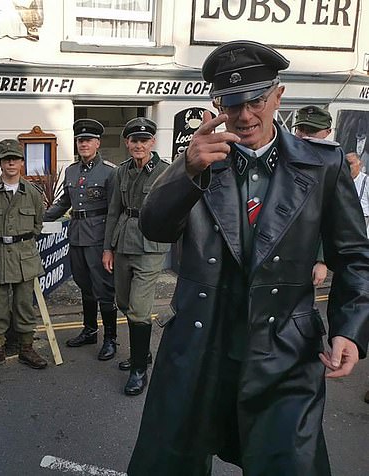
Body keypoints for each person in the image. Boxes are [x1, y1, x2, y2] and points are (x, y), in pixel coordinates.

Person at [128, 40, 369, 476]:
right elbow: (154, 228)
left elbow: (354, 255)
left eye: (256, 100)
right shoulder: (198, 160)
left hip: (285, 354)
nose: (244, 115)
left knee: (289, 465)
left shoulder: (322, 165)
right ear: (215, 104)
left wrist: (350, 329)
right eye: (231, 102)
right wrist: (187, 171)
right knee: (170, 463)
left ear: (278, 96)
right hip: (200, 346)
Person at [102, 118, 169, 396]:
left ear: (152, 142)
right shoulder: (121, 172)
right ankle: (143, 354)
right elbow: (113, 211)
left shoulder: (166, 171)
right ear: (127, 143)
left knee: (140, 308)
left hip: (151, 245)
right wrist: (108, 247)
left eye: (144, 140)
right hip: (123, 242)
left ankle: (139, 370)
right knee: (125, 302)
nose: (138, 145)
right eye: (133, 140)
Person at [44, 119, 118, 360]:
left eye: (88, 140)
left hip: (99, 238)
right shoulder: (71, 171)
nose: (83, 144)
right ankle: (90, 330)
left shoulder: (110, 171)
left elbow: (115, 211)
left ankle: (110, 338)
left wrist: (110, 247)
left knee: (104, 289)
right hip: (76, 236)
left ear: (97, 143)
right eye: (80, 140)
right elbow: (64, 202)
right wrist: (41, 219)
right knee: (84, 285)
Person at [0, 139, 47, 372]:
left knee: (24, 305)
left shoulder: (33, 193)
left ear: (21, 162)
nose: (11, 163)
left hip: (24, 256)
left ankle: (26, 347)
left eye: (15, 159)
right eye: (6, 159)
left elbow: (37, 225)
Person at [293, 105, 336, 286]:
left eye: (312, 131)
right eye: (301, 129)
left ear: (327, 132)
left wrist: (322, 260)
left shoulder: (332, 166)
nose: (304, 136)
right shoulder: (283, 157)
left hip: (306, 255)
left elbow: (332, 217)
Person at [346, 152, 369, 235]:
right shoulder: (341, 180)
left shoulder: (366, 181)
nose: (348, 167)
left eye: (351, 163)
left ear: (360, 164)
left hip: (361, 220)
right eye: (346, 164)